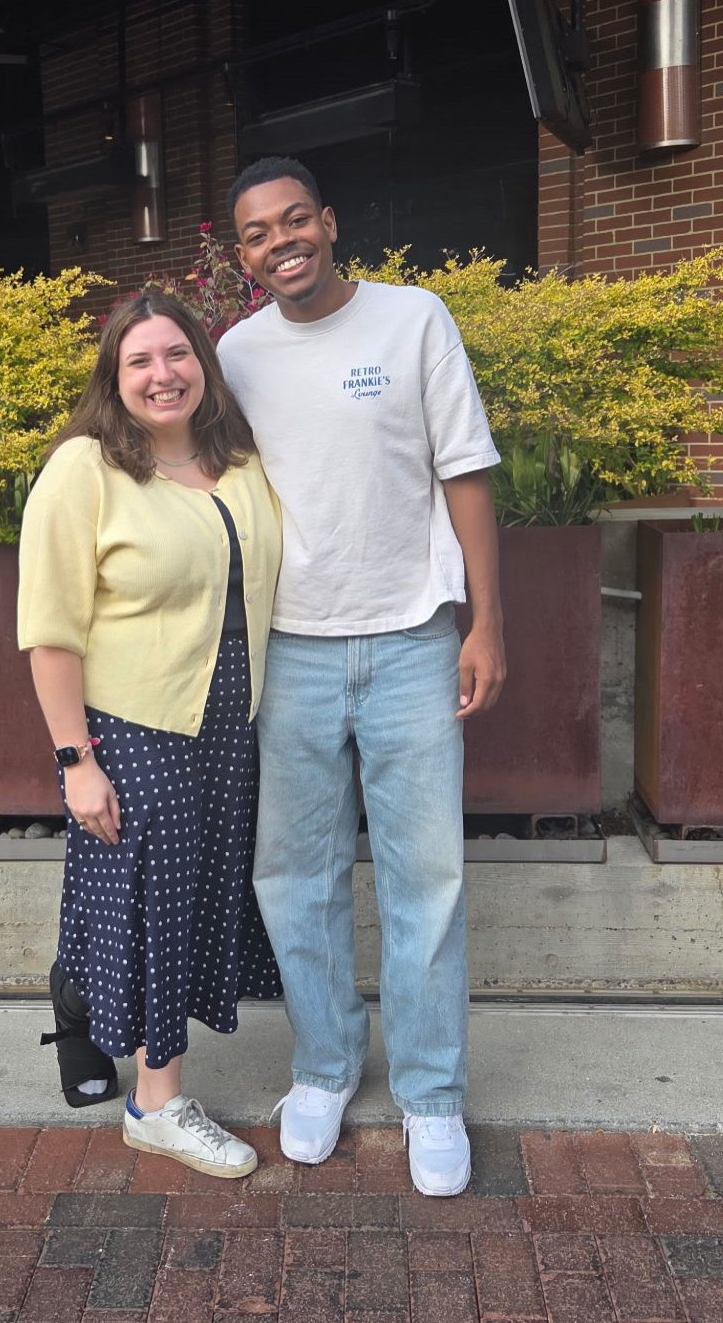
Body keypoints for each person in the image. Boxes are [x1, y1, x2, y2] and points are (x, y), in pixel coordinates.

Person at [217, 156, 506, 1197]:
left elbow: (464, 469)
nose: (280, 241)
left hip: (413, 636)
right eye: (258, 232)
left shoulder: (413, 319)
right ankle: (326, 1066)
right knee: (294, 878)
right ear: (242, 254)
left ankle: (432, 1092)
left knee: (425, 878)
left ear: (330, 223)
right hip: (288, 646)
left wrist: (485, 622)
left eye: (295, 219)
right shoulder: (235, 354)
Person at [17, 291, 283, 1178]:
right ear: (114, 376)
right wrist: (75, 760)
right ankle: (155, 1104)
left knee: (194, 895)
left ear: (202, 363)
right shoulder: (85, 469)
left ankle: (102, 1026)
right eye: (139, 360)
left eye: (176, 354)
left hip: (229, 723)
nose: (162, 374)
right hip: (133, 728)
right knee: (154, 905)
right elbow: (50, 628)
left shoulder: (237, 460)